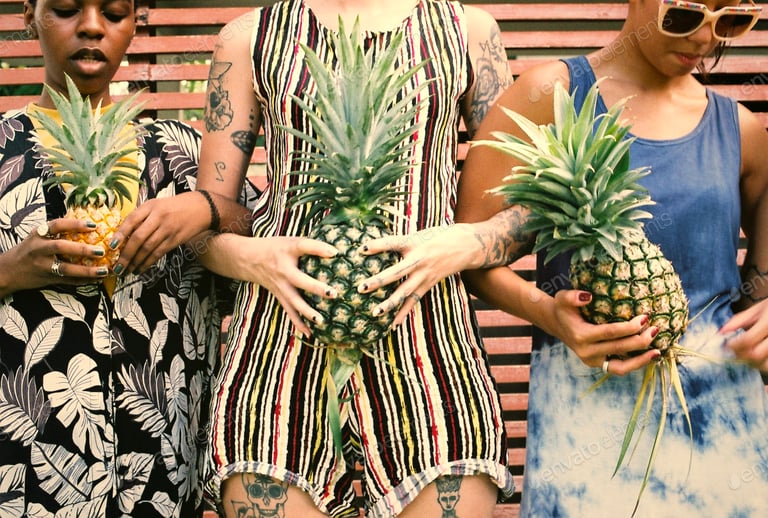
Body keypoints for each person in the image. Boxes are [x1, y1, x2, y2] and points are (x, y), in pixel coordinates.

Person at [365, 0, 768, 515]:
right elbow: (469, 253)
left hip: (722, 419)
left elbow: (760, 289)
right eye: (685, 15)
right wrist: (549, 313)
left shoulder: (742, 131)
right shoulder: (546, 93)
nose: (706, 39)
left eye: (731, 20)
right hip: (583, 404)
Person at [177, 1, 516, 516]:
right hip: (277, 350)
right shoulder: (247, 37)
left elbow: (519, 212)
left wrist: (463, 243)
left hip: (432, 348)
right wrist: (255, 259)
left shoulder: (469, 31)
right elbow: (205, 225)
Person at [0, 1, 254, 516]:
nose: (91, 26)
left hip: (164, 468)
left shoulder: (179, 152)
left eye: (113, 12)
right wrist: (8, 270)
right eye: (67, 8)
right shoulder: (4, 147)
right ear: (29, 13)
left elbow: (264, 232)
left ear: (135, 21)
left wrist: (205, 206)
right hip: (24, 466)